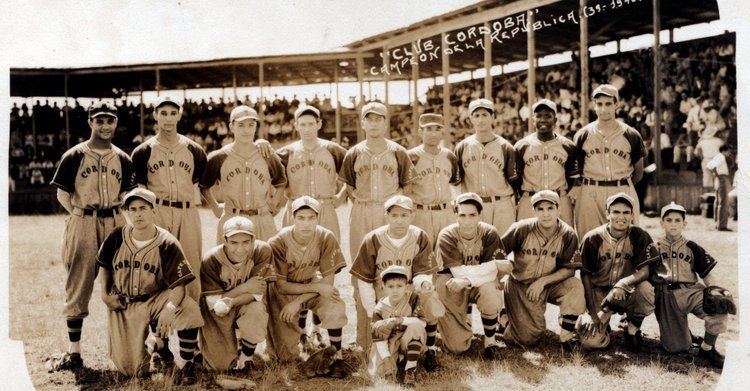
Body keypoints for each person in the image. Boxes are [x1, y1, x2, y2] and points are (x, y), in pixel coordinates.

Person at [45, 102, 135, 371]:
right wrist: (78, 214)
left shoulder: (123, 157)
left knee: (122, 281)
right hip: (83, 220)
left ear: (116, 123)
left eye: (110, 120)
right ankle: (74, 352)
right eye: (100, 120)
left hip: (115, 220)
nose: (105, 126)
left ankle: (125, 350)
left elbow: (126, 194)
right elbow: (62, 193)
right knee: (79, 282)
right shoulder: (74, 155)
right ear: (90, 122)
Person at [95, 188, 203, 383]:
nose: (138, 214)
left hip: (157, 298)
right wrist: (104, 295)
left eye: (143, 208)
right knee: (132, 369)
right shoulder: (117, 236)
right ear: (127, 213)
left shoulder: (167, 242)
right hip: (125, 303)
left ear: (154, 210)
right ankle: (160, 346)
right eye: (133, 209)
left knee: (188, 308)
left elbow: (179, 285)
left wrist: (170, 308)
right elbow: (104, 267)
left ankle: (187, 364)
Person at [625, 202, 729, 367]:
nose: (673, 224)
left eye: (677, 220)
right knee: (676, 348)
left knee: (720, 306)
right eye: (669, 220)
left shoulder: (692, 247)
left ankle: (707, 348)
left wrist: (713, 290)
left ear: (684, 224)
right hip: (666, 296)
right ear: (662, 223)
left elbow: (707, 274)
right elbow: (642, 273)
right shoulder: (653, 248)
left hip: (691, 292)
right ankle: (682, 333)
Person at [349, 194, 444, 369]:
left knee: (429, 297)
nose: (399, 221)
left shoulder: (419, 236)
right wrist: (373, 313)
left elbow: (422, 273)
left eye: (404, 215)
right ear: (386, 215)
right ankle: (390, 348)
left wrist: (424, 284)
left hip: (409, 293)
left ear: (412, 215)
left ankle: (430, 349)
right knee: (373, 355)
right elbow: (364, 281)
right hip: (380, 293)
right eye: (394, 215)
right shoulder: (373, 239)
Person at [131, 97, 207, 300]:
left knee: (190, 266)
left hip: (187, 211)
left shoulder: (195, 150)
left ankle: (188, 326)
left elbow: (200, 182)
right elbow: (140, 190)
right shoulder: (142, 151)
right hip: (158, 211)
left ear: (180, 115)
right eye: (163, 113)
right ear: (155, 115)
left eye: (173, 113)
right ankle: (159, 327)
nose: (168, 118)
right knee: (156, 267)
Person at [266, 196, 349, 376]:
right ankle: (298, 347)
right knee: (285, 358)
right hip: (284, 294)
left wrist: (302, 300)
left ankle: (337, 357)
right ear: (291, 218)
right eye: (301, 218)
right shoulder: (278, 242)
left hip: (312, 286)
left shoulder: (326, 236)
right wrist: (312, 291)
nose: (306, 223)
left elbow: (327, 284)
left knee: (334, 303)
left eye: (311, 218)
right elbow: (281, 286)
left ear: (318, 218)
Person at [497, 190, 584, 351]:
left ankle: (566, 337)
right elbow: (496, 252)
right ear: (534, 211)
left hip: (550, 284)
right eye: (540, 209)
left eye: (550, 208)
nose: (546, 214)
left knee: (575, 287)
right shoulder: (521, 228)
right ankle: (503, 318)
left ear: (559, 209)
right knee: (527, 339)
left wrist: (542, 282)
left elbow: (569, 270)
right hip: (522, 285)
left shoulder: (568, 234)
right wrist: (504, 268)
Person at [577, 193, 659, 350]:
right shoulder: (592, 237)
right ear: (607, 214)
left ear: (632, 215)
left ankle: (632, 330)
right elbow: (585, 275)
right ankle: (602, 327)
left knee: (646, 289)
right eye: (616, 212)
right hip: (598, 293)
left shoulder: (639, 235)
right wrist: (593, 315)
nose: (621, 217)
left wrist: (623, 283)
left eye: (626, 212)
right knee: (590, 343)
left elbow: (645, 271)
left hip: (626, 291)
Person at [434, 192, 510, 359]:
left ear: (480, 215)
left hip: (474, 284)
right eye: (462, 215)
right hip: (452, 286)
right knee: (457, 347)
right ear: (455, 214)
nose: (467, 220)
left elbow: (494, 272)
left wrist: (469, 279)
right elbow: (457, 272)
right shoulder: (447, 235)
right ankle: (459, 324)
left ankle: (490, 342)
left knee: (490, 291)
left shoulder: (489, 232)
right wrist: (491, 266)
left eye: (472, 215)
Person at [339, 101, 415, 261]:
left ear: (385, 123)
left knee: (391, 258)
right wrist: (363, 204)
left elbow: (407, 185)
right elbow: (350, 186)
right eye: (369, 119)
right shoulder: (353, 152)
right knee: (361, 258)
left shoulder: (398, 151)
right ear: (362, 123)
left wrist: (395, 207)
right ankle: (359, 288)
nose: (374, 123)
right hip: (362, 210)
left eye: (378, 119)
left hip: (388, 210)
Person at [198, 216, 275, 373]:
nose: (240, 249)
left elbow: (257, 294)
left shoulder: (262, 251)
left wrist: (232, 300)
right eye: (234, 242)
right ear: (224, 241)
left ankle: (246, 359)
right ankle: (217, 348)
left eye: (246, 242)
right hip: (217, 312)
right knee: (219, 367)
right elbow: (216, 304)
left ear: (253, 240)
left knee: (256, 309)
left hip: (245, 303)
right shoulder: (211, 259)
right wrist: (244, 287)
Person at [200, 105, 288, 242]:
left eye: (251, 125)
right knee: (230, 262)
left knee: (267, 261)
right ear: (231, 127)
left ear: (256, 126)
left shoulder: (267, 154)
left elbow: (281, 181)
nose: (246, 130)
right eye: (241, 125)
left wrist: (274, 203)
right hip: (232, 219)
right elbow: (204, 185)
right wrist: (215, 206)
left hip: (262, 218)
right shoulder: (219, 157)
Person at [572, 85, 646, 239]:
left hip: (621, 189)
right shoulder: (583, 134)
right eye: (599, 104)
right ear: (594, 105)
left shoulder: (631, 134)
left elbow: (638, 172)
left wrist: (623, 184)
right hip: (590, 191)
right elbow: (576, 169)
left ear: (616, 104)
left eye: (608, 103)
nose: (603, 109)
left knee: (625, 243)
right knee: (588, 241)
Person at [275, 105, 348, 240]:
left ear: (319, 124)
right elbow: (273, 180)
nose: (307, 129)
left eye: (311, 124)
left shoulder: (333, 150)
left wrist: (341, 197)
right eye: (302, 124)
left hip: (325, 208)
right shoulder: (285, 153)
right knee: (293, 257)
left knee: (328, 255)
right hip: (296, 210)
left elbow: (352, 175)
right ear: (296, 126)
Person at [454, 99, 518, 236]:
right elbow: (456, 182)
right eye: (476, 115)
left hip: (501, 204)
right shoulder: (462, 147)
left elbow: (515, 182)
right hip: (474, 206)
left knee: (503, 248)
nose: (481, 119)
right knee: (476, 249)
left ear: (493, 117)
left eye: (485, 115)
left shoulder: (506, 147)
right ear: (470, 118)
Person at [514, 99, 578, 226]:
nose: (542, 120)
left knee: (563, 242)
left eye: (548, 116)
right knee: (526, 242)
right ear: (533, 120)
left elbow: (571, 179)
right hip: (530, 200)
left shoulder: (567, 146)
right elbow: (516, 179)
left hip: (559, 199)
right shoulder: (522, 146)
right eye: (538, 116)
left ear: (555, 120)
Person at [370, 265, 431, 386]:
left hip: (408, 339)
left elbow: (422, 323)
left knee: (416, 327)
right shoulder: (379, 308)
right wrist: (387, 360)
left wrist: (399, 320)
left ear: (406, 286)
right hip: (390, 343)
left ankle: (410, 369)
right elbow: (379, 339)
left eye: (399, 286)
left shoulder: (412, 298)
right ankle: (399, 360)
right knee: (380, 372)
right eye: (390, 286)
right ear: (383, 287)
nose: (395, 290)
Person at [405, 113, 461, 242]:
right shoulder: (411, 156)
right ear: (420, 131)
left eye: (437, 129)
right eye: (429, 129)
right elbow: (405, 189)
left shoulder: (449, 156)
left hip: (446, 212)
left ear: (442, 132)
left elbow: (455, 185)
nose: (433, 133)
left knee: (448, 255)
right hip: (421, 213)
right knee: (423, 257)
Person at [706, 145, 732, 231]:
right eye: (728, 151)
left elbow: (709, 166)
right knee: (723, 201)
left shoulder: (718, 157)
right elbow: (711, 167)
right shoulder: (721, 157)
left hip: (719, 178)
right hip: (722, 178)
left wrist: (715, 175)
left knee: (717, 201)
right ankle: (722, 225)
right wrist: (717, 175)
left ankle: (717, 223)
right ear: (724, 151)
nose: (729, 153)